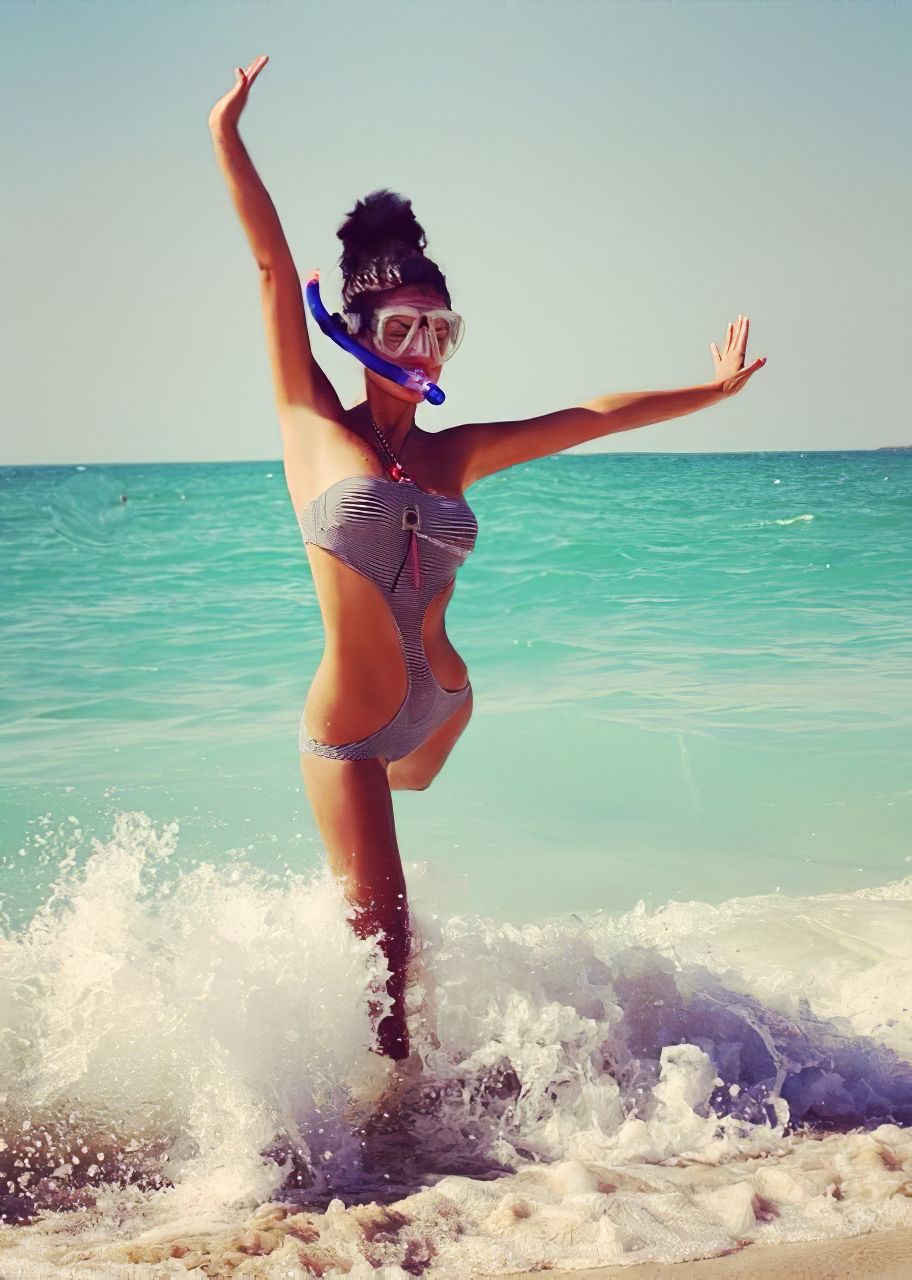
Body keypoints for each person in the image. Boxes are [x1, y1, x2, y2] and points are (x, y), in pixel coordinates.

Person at [208, 56, 767, 1062]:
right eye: (404, 329)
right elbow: (268, 268)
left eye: (442, 331)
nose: (425, 349)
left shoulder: (452, 452)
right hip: (352, 735)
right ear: (357, 332)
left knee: (392, 925)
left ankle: (440, 1100)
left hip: (444, 707)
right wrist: (227, 135)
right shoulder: (310, 425)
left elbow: (588, 418)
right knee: (387, 959)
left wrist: (710, 392)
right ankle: (396, 1120)